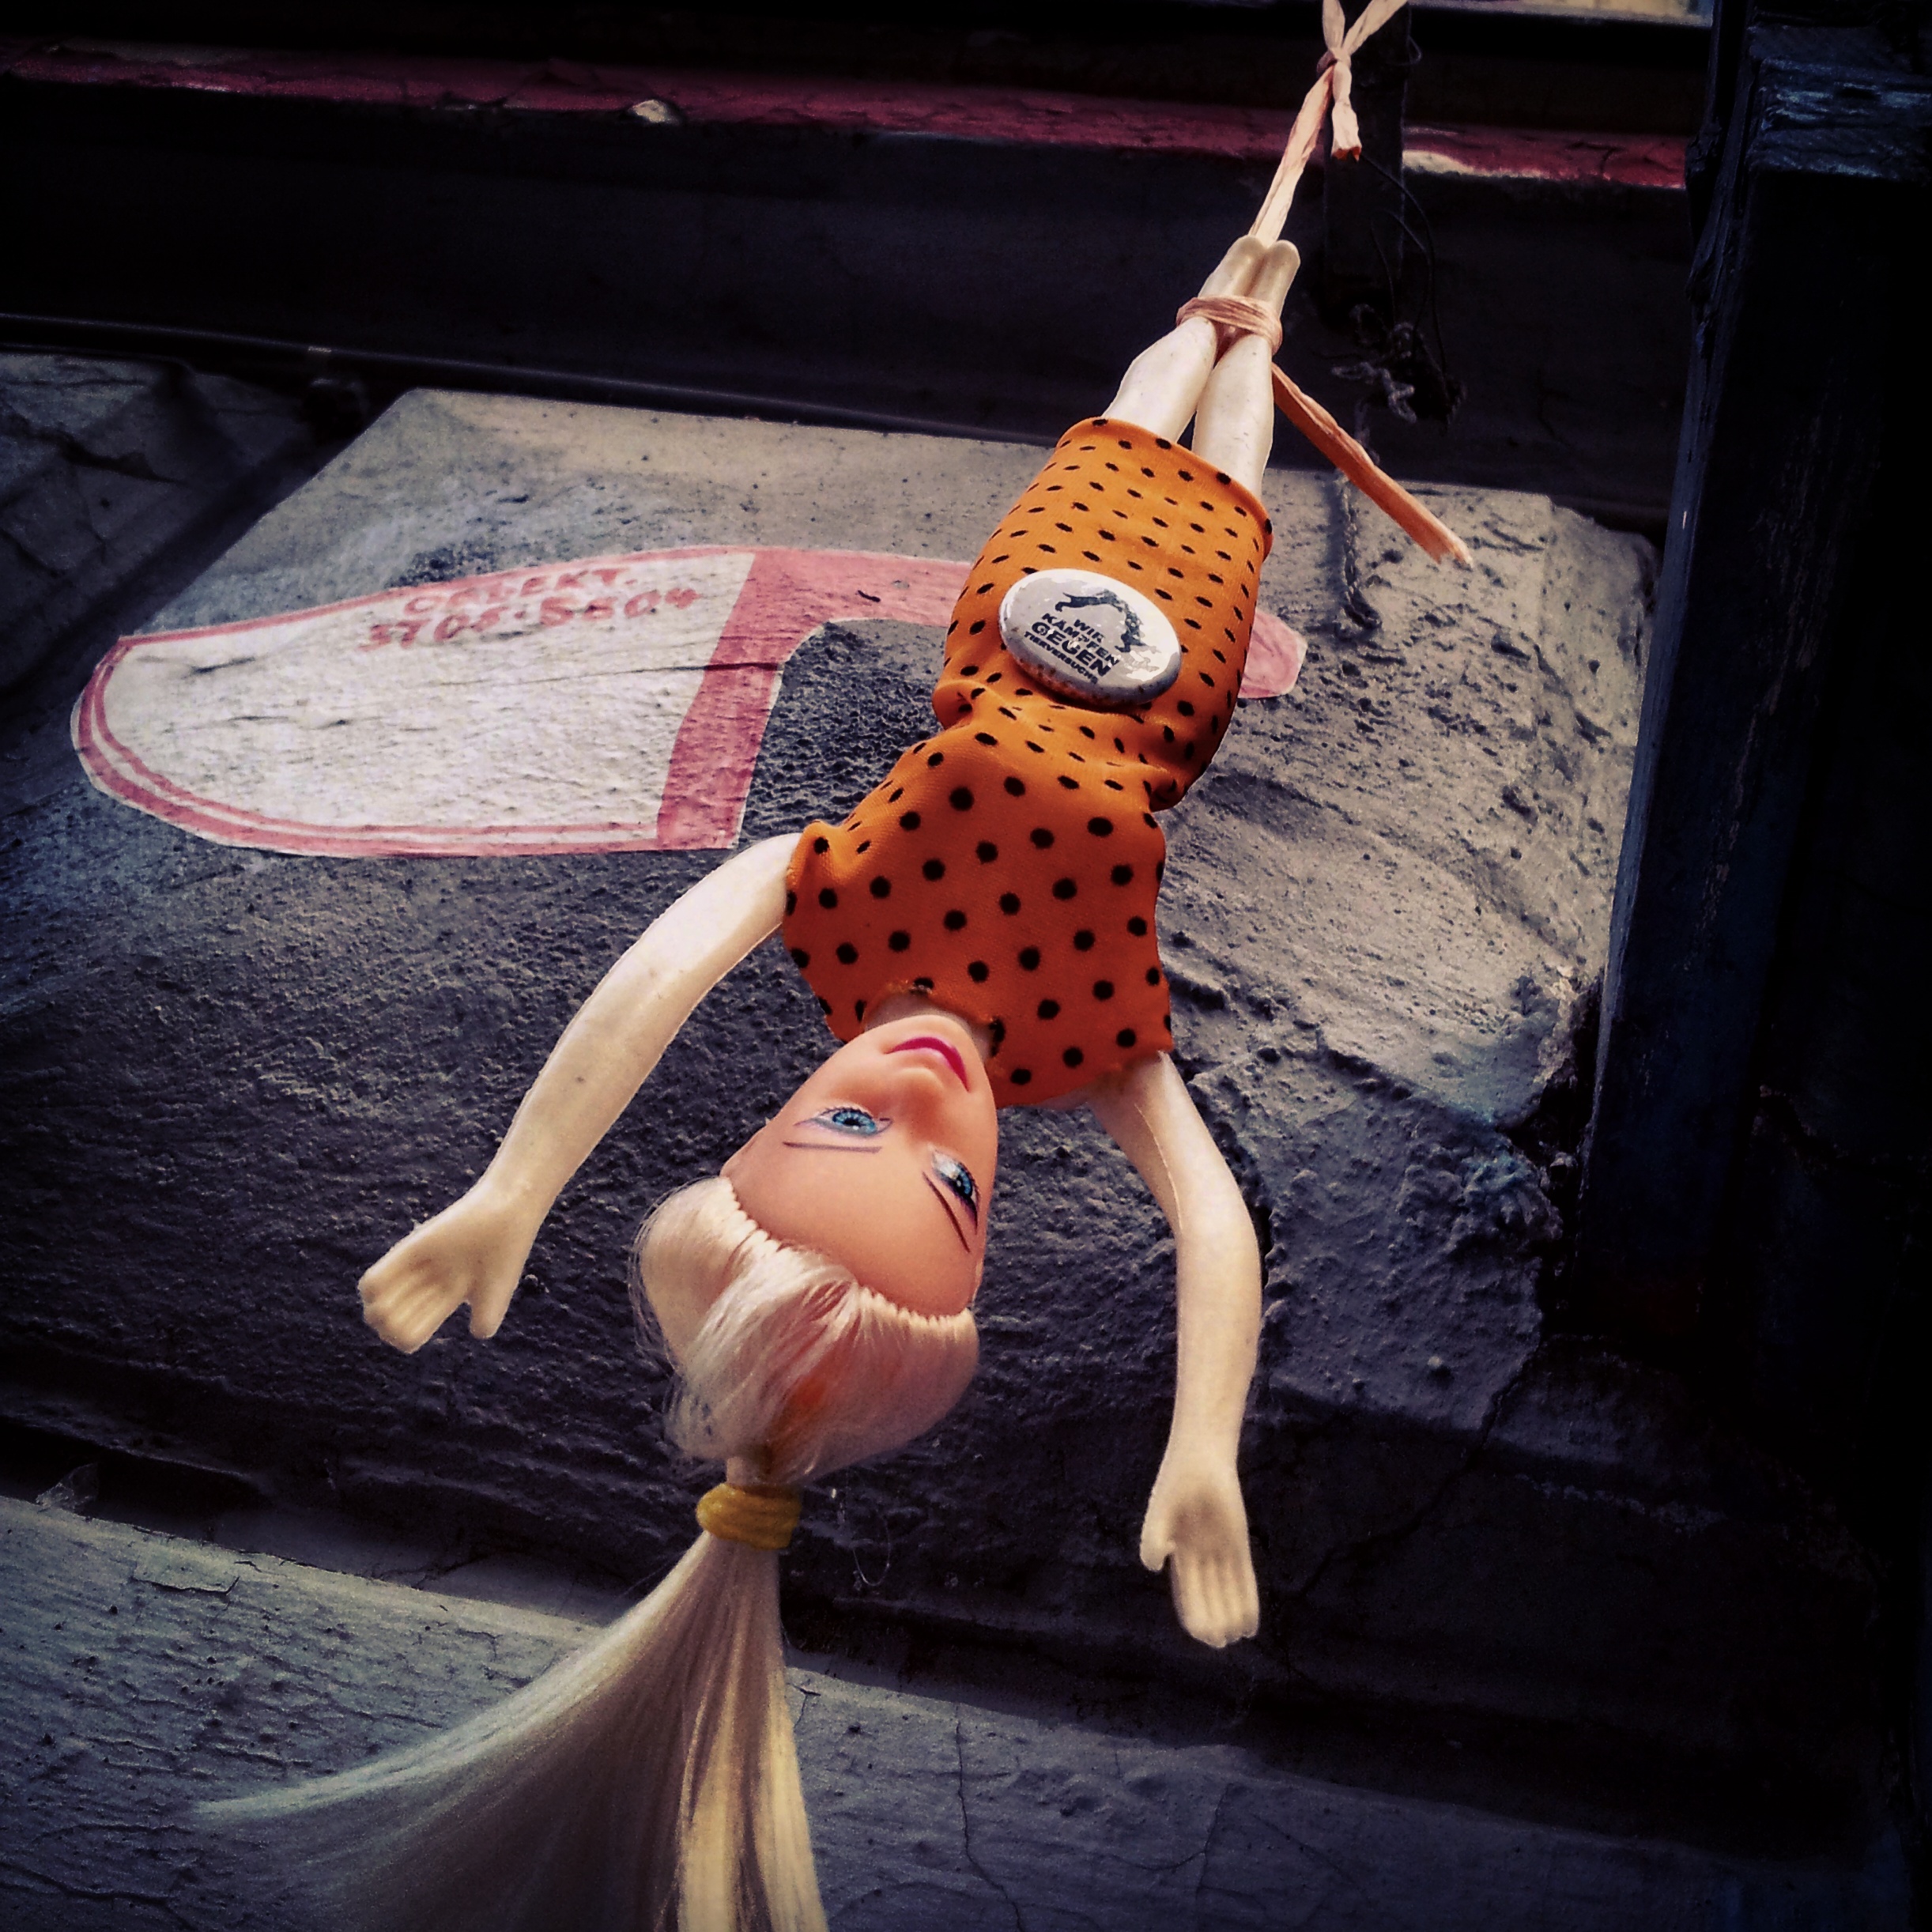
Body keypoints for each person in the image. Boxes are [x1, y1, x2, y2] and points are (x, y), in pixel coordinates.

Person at [208, 236, 1303, 1932]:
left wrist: (515, 1189)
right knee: (1232, 455)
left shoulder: (841, 903)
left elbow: (654, 978)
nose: (925, 1101)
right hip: (1184, 650)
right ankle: (1265, 314)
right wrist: (1203, 1439)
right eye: (950, 1184)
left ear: (768, 1125)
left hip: (1031, 593)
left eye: (843, 1127)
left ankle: (1226, 298)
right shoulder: (1094, 1035)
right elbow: (1212, 1227)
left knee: (1143, 393)